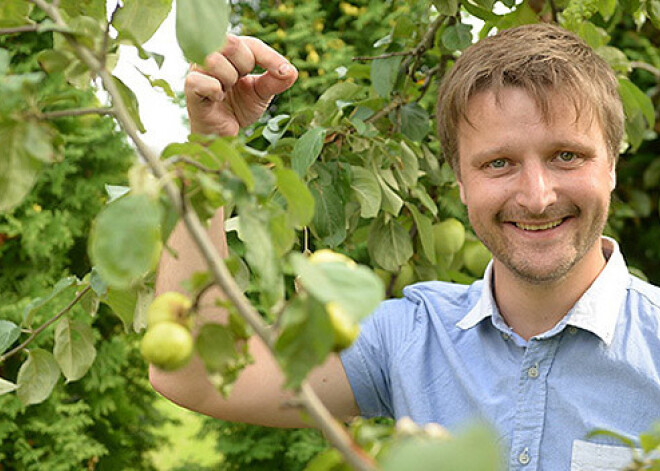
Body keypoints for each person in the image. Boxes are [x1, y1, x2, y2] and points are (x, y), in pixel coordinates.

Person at [150, 24, 660, 470]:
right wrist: (209, 151)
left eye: (566, 155)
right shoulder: (410, 338)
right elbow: (194, 374)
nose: (537, 195)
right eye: (498, 163)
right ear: (460, 181)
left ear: (611, 166)